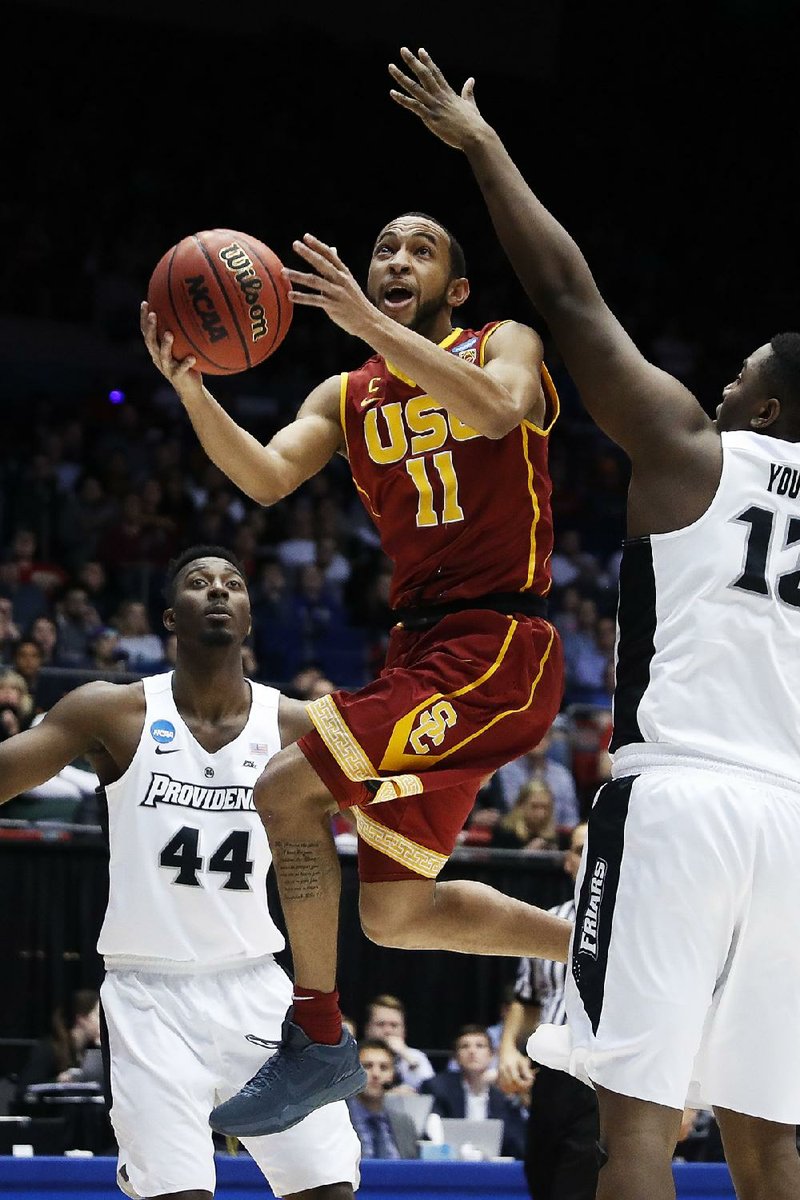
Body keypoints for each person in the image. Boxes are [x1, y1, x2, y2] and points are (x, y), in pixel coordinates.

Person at [391, 45, 800, 1200]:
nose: (716, 388)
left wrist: (482, 148)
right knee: (770, 1143)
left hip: (678, 800)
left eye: (735, 377)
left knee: (634, 1132)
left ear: (765, 408)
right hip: (794, 825)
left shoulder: (692, 450)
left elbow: (567, 300)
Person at [141, 198, 573, 1138]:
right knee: (397, 912)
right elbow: (263, 476)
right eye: (384, 248)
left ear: (454, 289)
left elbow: (499, 411)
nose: (395, 259)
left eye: (420, 249)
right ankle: (592, 942)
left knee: (287, 791)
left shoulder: (506, 341)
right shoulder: (346, 394)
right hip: (421, 653)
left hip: (499, 645)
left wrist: (371, 325)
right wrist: (191, 389)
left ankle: (318, 1037)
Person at [0, 545, 360, 1200]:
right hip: (148, 993)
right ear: (170, 616)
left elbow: (392, 810)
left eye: (233, 584)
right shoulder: (111, 711)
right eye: (199, 583)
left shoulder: (298, 726)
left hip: (256, 983)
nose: (218, 591)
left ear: (250, 615)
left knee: (328, 1189)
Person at [498, 823, 599, 1200]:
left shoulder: (636, 922)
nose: (586, 855)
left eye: (596, 846)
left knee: (578, 1186)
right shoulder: (546, 921)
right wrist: (507, 1049)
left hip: (603, 1075)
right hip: (550, 1077)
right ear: (567, 862)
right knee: (541, 1179)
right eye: (577, 849)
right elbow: (526, 1000)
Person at [420, 1024, 526, 1160]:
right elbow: (432, 1133)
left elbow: (518, 1145)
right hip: (450, 1163)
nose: (472, 1051)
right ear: (456, 1057)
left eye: (480, 1046)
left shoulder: (502, 1095)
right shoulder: (438, 1087)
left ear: (491, 1055)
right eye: (465, 1046)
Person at [346, 1039, 419, 1159]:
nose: (376, 1074)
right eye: (367, 1066)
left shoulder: (404, 1123)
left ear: (393, 1075)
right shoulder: (338, 1119)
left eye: (384, 1067)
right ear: (352, 1072)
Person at [362, 994, 435, 1091]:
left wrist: (407, 1056)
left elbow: (432, 1089)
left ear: (404, 1030)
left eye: (394, 1025)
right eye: (381, 1024)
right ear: (368, 1029)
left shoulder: (415, 1057)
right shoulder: (357, 1055)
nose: (388, 1031)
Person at [491, 779, 559, 851]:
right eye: (534, 806)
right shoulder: (504, 833)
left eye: (545, 807)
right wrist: (527, 852)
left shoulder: (554, 837)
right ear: (521, 806)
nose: (541, 813)